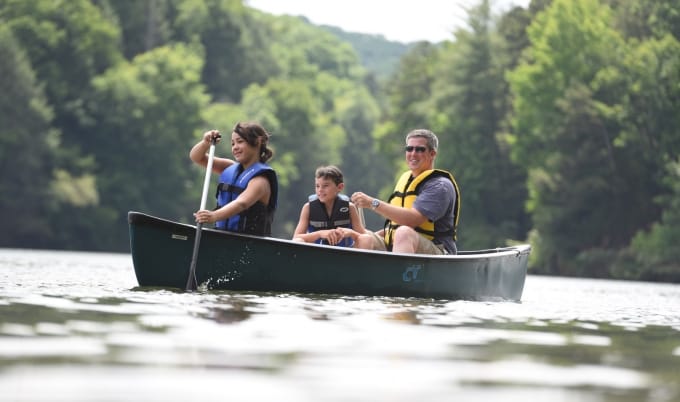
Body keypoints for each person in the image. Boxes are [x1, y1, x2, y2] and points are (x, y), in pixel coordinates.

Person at [351, 129, 460, 254]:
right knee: (363, 237)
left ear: (432, 154)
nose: (413, 154)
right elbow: (395, 227)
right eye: (409, 149)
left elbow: (411, 221)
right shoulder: (405, 180)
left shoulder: (440, 186)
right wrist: (367, 236)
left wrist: (372, 203)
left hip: (439, 251)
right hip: (401, 245)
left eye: (420, 149)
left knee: (403, 233)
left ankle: (398, 274)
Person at [190, 122, 278, 235]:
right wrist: (205, 143)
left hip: (250, 242)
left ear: (258, 141)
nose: (235, 147)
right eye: (232, 144)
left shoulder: (261, 181)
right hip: (222, 236)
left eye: (240, 142)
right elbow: (196, 157)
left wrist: (213, 216)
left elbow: (242, 203)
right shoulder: (229, 167)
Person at [292, 165, 372, 248]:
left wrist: (351, 233)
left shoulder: (350, 207)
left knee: (366, 238)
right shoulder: (308, 208)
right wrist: (320, 233)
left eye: (325, 186)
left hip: (345, 253)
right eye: (317, 186)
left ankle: (356, 261)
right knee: (298, 241)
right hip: (317, 253)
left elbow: (364, 236)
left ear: (340, 187)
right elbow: (296, 237)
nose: (320, 190)